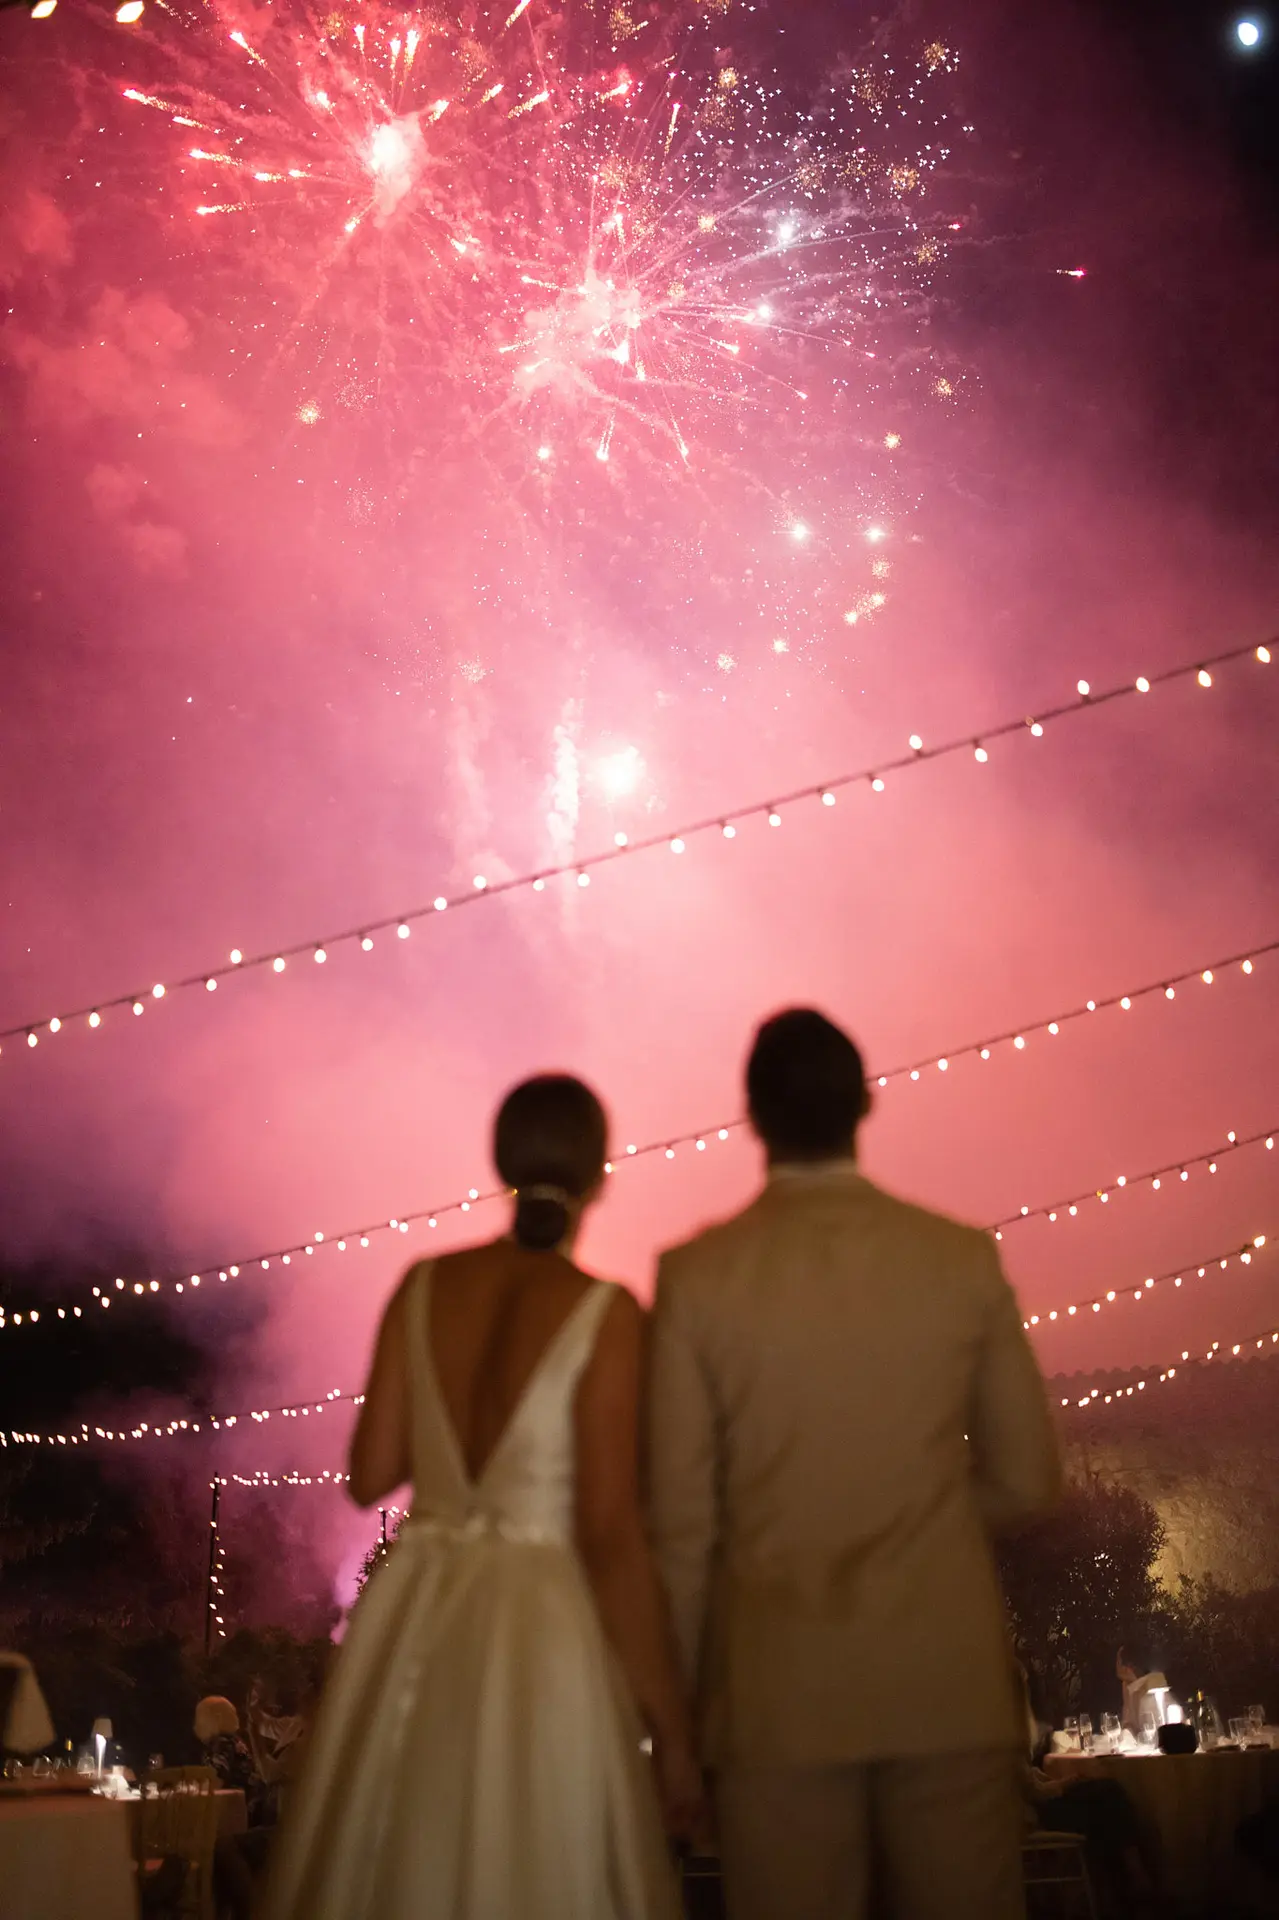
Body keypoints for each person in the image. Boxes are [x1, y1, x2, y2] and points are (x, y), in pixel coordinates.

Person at [647, 1007, 1062, 1920]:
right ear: (864, 1104)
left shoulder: (696, 1277)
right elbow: (1029, 1476)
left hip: (774, 1693)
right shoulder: (956, 1258)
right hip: (943, 1681)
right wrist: (921, 1517)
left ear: (751, 1117)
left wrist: (672, 1728)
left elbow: (677, 1528)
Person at [264, 1074, 696, 1920]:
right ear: (599, 1175)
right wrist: (672, 1729)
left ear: (499, 1163)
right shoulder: (603, 1314)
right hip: (541, 1623)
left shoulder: (423, 1287)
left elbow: (366, 1473)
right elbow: (610, 1537)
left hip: (417, 1612)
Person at [1115, 1645, 1169, 1734]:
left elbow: (1153, 1726)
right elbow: (1128, 1722)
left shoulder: (1155, 1682)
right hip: (1140, 1744)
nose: (1117, 1668)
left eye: (1118, 1662)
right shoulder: (1127, 1685)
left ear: (1129, 1667)